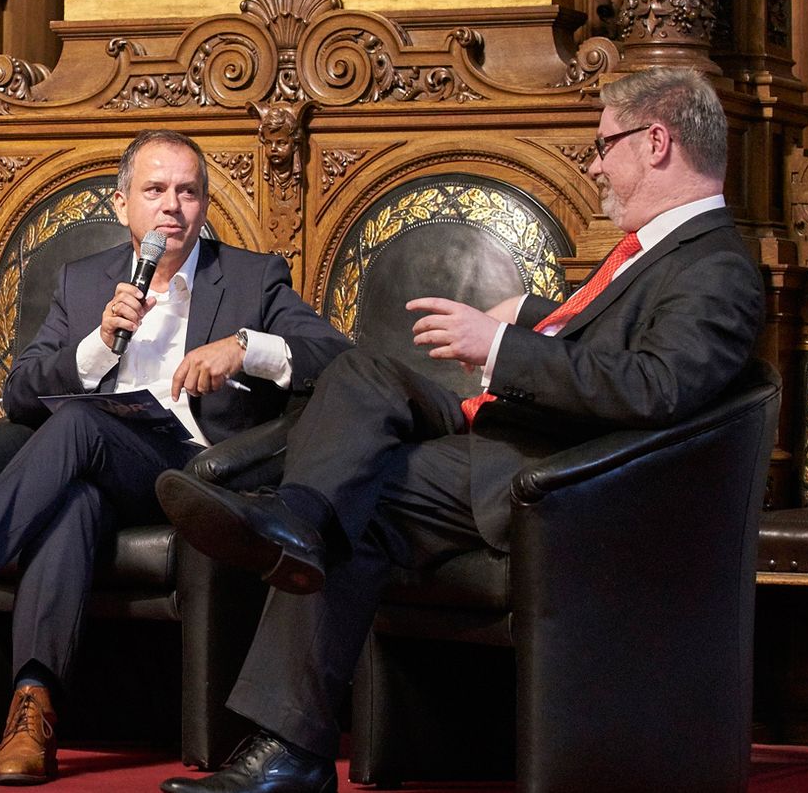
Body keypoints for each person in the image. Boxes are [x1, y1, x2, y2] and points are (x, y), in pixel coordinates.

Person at [152, 68, 766, 793]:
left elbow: (656, 388)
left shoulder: (716, 265)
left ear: (656, 141)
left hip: (558, 472)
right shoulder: (657, 250)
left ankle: (289, 740)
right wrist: (533, 314)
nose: (597, 164)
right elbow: (610, 345)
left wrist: (502, 346)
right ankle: (297, 515)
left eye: (605, 144)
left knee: (361, 495)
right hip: (512, 428)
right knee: (361, 372)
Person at [0, 129, 352, 786]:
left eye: (187, 192)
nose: (172, 206)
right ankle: (32, 712)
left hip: (202, 471)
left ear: (205, 205)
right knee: (74, 500)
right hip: (104, 469)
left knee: (77, 423)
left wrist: (245, 346)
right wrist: (96, 343)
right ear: (123, 203)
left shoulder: (250, 275)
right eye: (155, 190)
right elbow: (19, 392)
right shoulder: (85, 279)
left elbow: (337, 356)